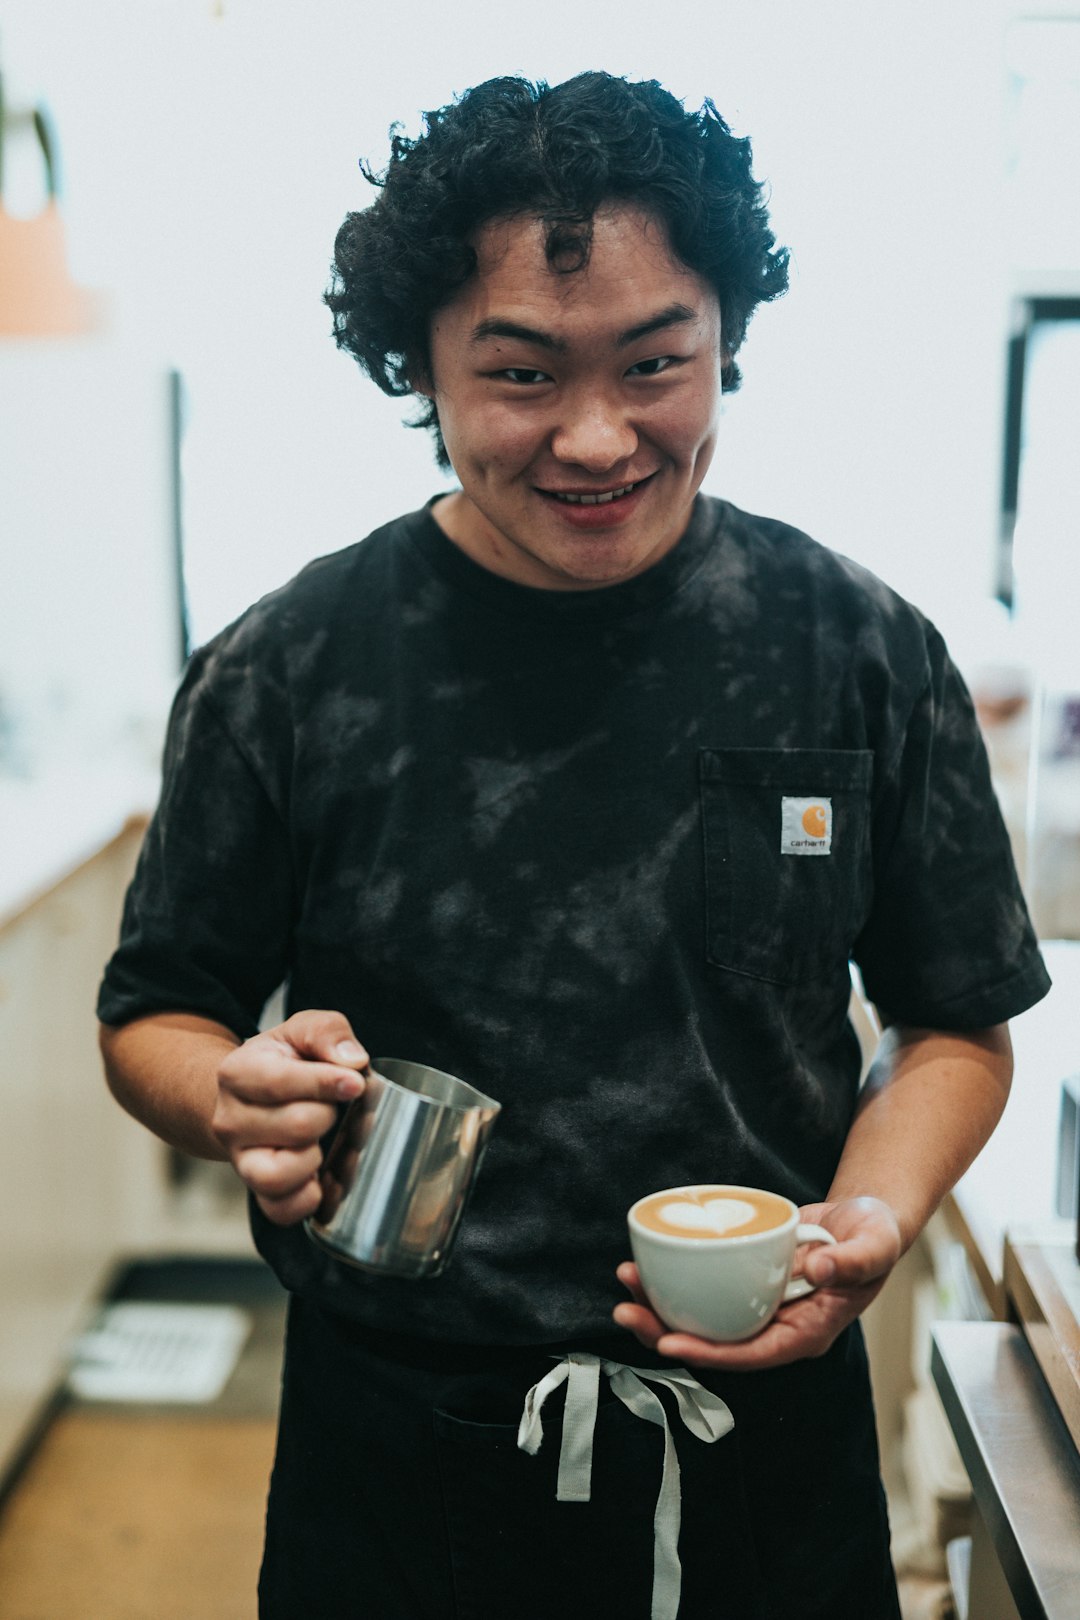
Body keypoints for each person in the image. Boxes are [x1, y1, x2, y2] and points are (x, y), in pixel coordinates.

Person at [97, 72, 1049, 1620]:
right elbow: (155, 1012)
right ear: (424, 367)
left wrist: (871, 1214)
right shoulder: (292, 666)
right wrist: (231, 1098)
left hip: (764, 1443)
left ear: (726, 342)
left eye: (658, 364)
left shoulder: (854, 647)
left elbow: (959, 1020)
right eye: (523, 374)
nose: (599, 437)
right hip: (396, 1459)